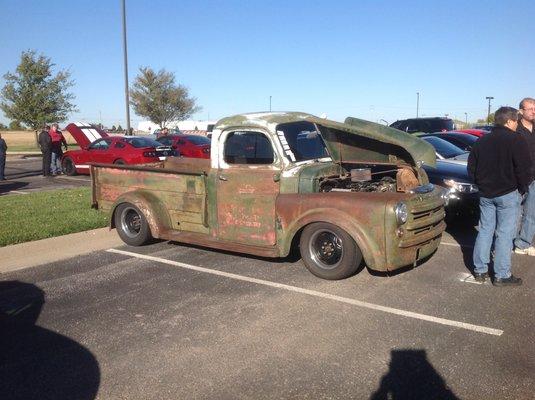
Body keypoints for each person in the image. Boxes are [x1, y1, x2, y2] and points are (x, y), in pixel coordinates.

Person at [468, 106, 532, 286]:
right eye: (516, 121)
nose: (517, 124)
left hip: (486, 194)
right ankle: (502, 275)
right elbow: (525, 168)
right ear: (510, 121)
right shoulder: (516, 140)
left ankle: (480, 270)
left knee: (485, 230)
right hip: (508, 193)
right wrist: (522, 188)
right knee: (504, 233)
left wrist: (479, 184)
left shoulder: (482, 141)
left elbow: (471, 168)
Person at [514, 97, 535, 256]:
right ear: (521, 111)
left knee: (531, 214)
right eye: (530, 109)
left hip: (533, 178)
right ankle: (509, 242)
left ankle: (523, 244)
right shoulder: (515, 129)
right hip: (516, 178)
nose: (534, 111)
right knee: (513, 214)